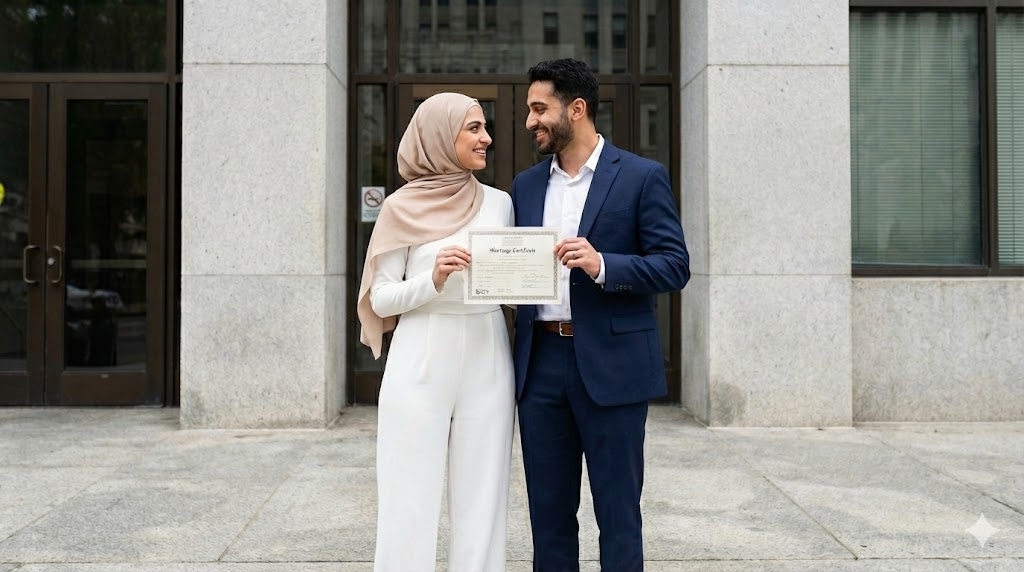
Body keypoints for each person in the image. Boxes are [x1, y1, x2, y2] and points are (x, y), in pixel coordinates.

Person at [510, 59, 690, 571]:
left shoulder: (641, 177)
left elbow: (675, 266)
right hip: (540, 365)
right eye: (529, 110)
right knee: (548, 517)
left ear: (577, 108)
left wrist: (603, 264)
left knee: (617, 514)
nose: (530, 121)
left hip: (614, 367)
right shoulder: (524, 186)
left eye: (539, 109)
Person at [356, 92, 515, 572]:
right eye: (473, 128)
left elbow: (509, 282)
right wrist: (433, 279)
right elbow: (380, 298)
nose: (486, 138)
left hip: (488, 351)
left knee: (484, 494)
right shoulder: (400, 208)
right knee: (408, 493)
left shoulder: (500, 203)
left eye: (485, 127)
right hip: (420, 352)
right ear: (440, 136)